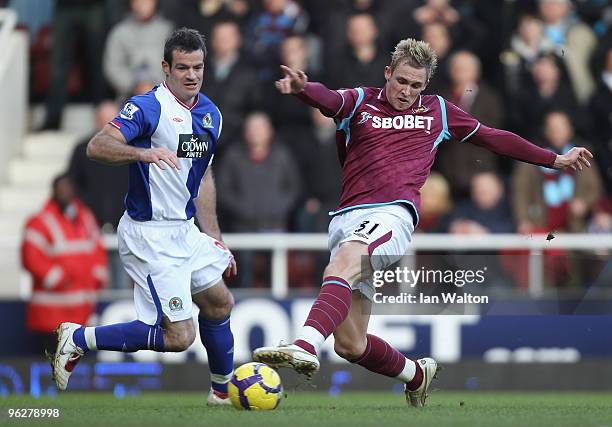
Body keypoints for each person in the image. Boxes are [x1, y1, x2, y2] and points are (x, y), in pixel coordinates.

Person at [253, 38, 593, 407]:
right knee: (351, 344)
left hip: (392, 216)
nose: (407, 91)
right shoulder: (360, 101)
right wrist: (304, 90)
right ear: (388, 73)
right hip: (347, 219)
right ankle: (416, 374)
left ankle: (303, 345)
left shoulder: (439, 111)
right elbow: (328, 100)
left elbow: (494, 138)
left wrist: (552, 159)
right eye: (401, 81)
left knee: (345, 262)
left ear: (426, 85)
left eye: (416, 86)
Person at [51, 28, 237, 407]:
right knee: (179, 337)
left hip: (185, 232)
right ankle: (78, 339)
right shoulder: (149, 107)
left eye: (198, 67)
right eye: (182, 67)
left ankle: (222, 394)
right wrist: (143, 154)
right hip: (148, 235)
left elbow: (200, 178)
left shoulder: (210, 115)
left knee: (219, 303)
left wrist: (214, 235)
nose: (191, 75)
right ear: (166, 68)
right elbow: (97, 145)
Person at [22, 174, 108, 355]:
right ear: (53, 191)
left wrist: (98, 276)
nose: (65, 193)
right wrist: (57, 278)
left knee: (78, 369)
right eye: (61, 189)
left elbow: (97, 248)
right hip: (51, 314)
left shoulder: (85, 218)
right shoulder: (40, 221)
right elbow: (31, 257)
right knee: (50, 364)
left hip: (81, 312)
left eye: (68, 188)